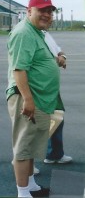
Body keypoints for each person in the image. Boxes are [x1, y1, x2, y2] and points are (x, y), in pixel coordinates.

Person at [6, 0, 62, 198]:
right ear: (29, 11)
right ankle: (23, 193)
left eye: (50, 11)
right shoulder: (24, 33)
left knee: (30, 146)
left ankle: (31, 187)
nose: (47, 14)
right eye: (42, 10)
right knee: (23, 147)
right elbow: (19, 70)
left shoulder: (36, 31)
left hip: (37, 98)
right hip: (27, 98)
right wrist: (28, 100)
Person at [42, 31, 72, 164]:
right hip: (39, 87)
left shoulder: (45, 34)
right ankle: (26, 166)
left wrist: (62, 56)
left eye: (50, 13)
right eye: (44, 12)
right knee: (31, 126)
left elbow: (58, 50)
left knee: (57, 118)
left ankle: (55, 153)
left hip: (51, 87)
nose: (48, 16)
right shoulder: (29, 34)